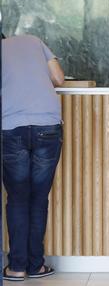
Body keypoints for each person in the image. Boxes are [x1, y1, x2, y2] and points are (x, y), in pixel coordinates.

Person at [1, 34, 65, 281]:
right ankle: (36, 265)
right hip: (47, 126)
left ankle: (17, 267)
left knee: (17, 198)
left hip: (11, 128)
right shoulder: (34, 41)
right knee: (38, 199)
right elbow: (58, 77)